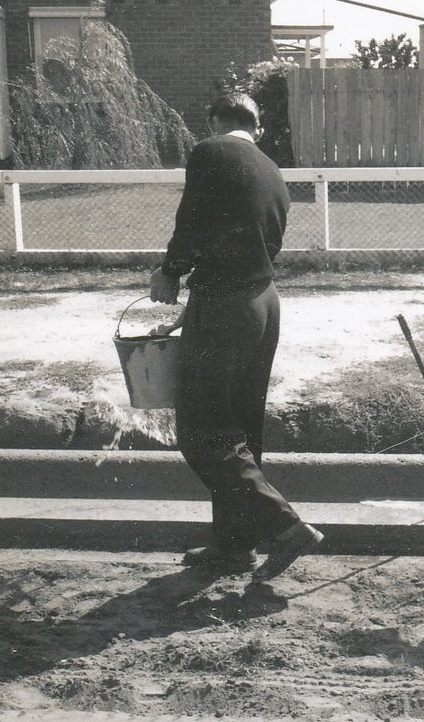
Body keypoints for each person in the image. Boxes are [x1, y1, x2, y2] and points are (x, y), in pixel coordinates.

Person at [149, 93, 323, 582]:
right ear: (258, 127)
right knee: (239, 431)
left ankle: (286, 527)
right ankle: (234, 545)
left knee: (201, 431)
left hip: (228, 307)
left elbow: (193, 221)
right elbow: (252, 245)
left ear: (213, 121)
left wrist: (171, 273)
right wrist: (197, 307)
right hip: (261, 302)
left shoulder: (211, 152)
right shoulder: (272, 169)